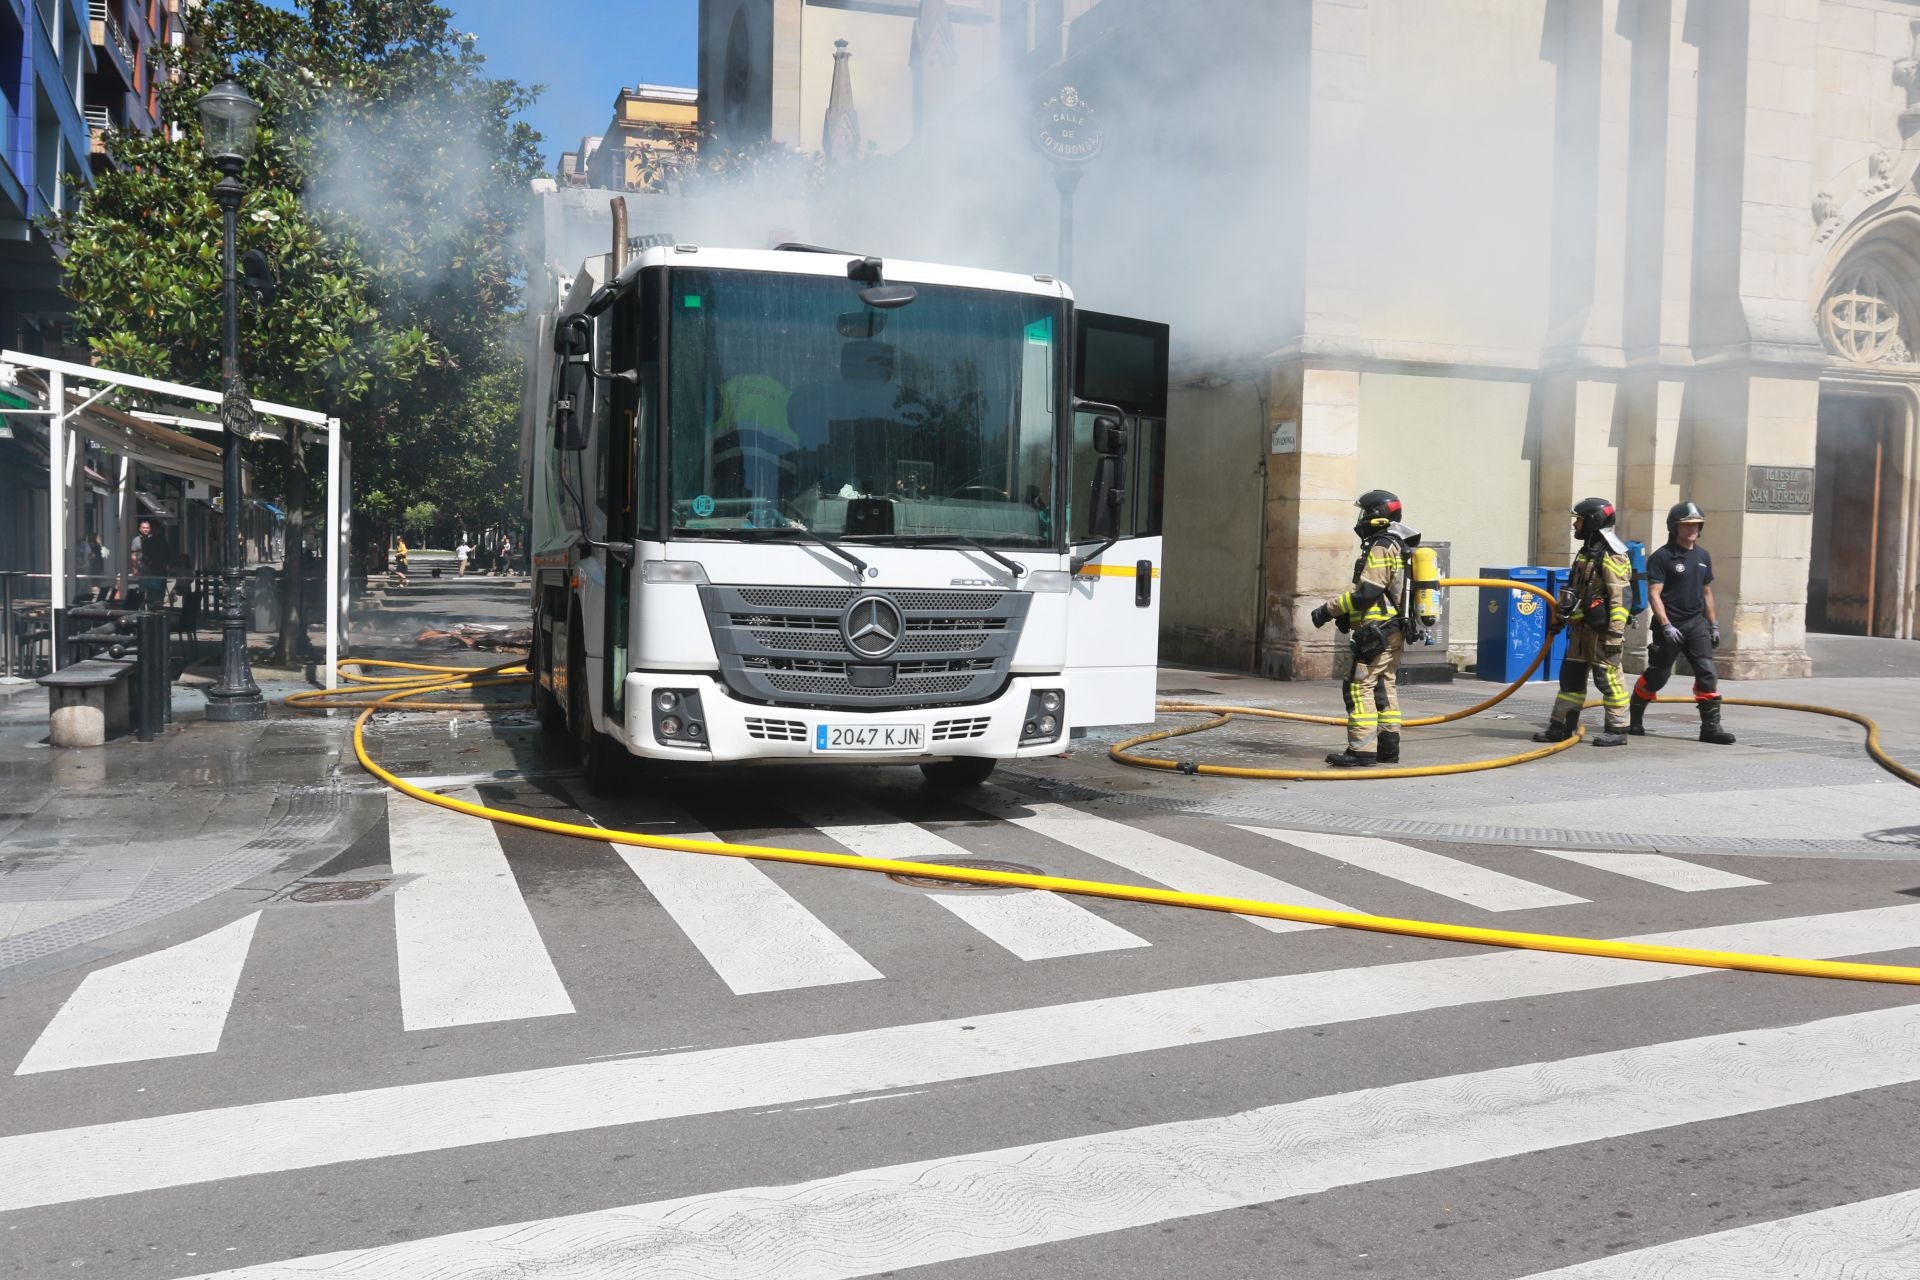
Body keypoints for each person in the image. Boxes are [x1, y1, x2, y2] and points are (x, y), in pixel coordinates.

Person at [1310, 490, 1416, 768]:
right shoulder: (1400, 543)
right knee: (1384, 686)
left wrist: (1329, 609)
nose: (1361, 519)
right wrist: (1348, 617)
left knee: (1359, 688)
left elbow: (1369, 592)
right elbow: (1383, 595)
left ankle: (1361, 750)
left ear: (1376, 516)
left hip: (1377, 631)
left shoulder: (1381, 545)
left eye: (1365, 513)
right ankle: (1388, 749)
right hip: (1393, 629)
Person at [1630, 501, 1735, 745]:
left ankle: (1710, 728)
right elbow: (1654, 593)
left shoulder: (1702, 556)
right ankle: (1635, 716)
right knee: (1659, 675)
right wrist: (1665, 624)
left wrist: (1713, 624)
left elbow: (1707, 592)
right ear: (1674, 528)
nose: (1693, 530)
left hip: (1696, 623)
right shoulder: (1662, 557)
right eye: (1687, 526)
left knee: (1707, 671)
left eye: (1697, 525)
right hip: (1671, 624)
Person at [1534, 497, 1633, 747]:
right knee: (1571, 680)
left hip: (1602, 634)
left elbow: (1620, 599)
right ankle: (1561, 727)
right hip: (1579, 631)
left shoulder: (1613, 554)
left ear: (1593, 521)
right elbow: (1576, 589)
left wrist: (1614, 636)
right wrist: (1561, 617)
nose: (1575, 525)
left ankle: (1618, 729)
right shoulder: (1587, 550)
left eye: (1578, 519)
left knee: (1608, 679)